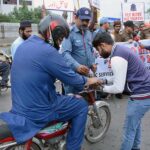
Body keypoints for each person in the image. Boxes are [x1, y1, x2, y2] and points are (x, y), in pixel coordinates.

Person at [0, 14, 100, 150]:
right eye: (59, 39)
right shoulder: (48, 51)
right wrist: (89, 80)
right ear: (51, 32)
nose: (60, 43)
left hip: (19, 105)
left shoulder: (23, 46)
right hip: (40, 109)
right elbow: (73, 79)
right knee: (81, 105)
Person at [93, 32, 150, 150]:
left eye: (98, 50)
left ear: (102, 45)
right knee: (135, 125)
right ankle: (136, 148)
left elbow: (118, 87)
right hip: (145, 92)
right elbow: (120, 76)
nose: (99, 53)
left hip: (141, 95)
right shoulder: (119, 49)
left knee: (128, 130)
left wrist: (99, 88)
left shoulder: (117, 58)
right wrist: (102, 80)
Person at [61, 7, 97, 94]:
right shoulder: (69, 33)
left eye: (87, 21)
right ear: (76, 18)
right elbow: (65, 53)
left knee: (88, 103)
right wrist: (77, 66)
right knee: (73, 103)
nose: (85, 23)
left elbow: (90, 50)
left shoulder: (88, 33)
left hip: (87, 75)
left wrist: (92, 63)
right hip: (73, 76)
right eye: (82, 20)